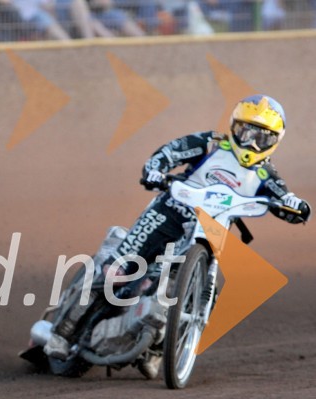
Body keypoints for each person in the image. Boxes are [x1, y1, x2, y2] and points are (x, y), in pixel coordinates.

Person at [44, 95, 310, 365]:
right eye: (246, 131)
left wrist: (296, 206)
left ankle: (161, 347)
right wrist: (155, 170)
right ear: (234, 127)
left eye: (262, 137)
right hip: (169, 213)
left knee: (202, 290)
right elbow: (168, 153)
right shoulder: (210, 144)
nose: (251, 142)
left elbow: (286, 202)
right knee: (117, 272)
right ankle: (63, 333)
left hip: (211, 231)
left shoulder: (266, 176)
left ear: (275, 141)